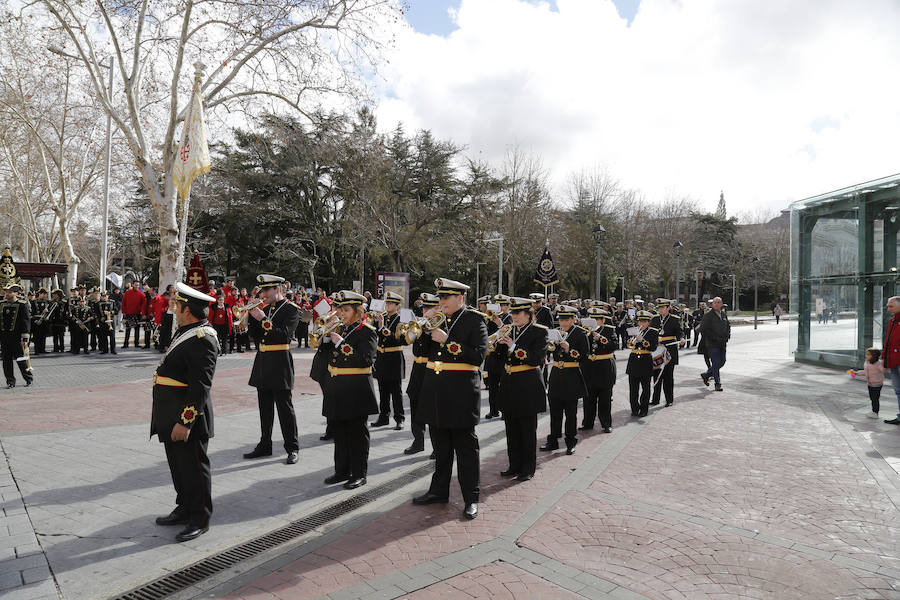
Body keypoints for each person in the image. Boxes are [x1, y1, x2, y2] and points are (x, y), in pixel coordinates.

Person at [412, 278, 487, 520]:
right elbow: (420, 352)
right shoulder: (437, 320)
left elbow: (478, 356)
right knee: (441, 449)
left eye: (446, 298)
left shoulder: (474, 320)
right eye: (440, 297)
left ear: (460, 298)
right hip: (435, 392)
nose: (441, 302)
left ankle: (471, 498)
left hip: (461, 394)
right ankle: (438, 491)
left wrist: (448, 341)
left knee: (466, 450)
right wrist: (424, 329)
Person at [151, 283, 219, 542]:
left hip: (187, 417)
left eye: (177, 305)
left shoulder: (203, 339)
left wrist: (185, 422)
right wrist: (169, 316)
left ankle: (200, 517)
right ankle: (184, 507)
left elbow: (200, 386)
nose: (173, 308)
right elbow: (164, 346)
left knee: (193, 468)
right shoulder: (187, 331)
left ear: (188, 310)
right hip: (170, 412)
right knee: (178, 467)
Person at [320, 291, 378, 489]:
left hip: (356, 389)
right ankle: (341, 470)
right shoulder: (342, 329)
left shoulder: (367, 331)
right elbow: (327, 356)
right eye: (340, 309)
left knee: (356, 433)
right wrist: (326, 338)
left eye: (346, 310)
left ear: (358, 311)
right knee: (340, 431)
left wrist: (340, 343)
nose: (341, 313)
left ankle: (359, 473)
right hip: (338, 388)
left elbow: (366, 359)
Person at [243, 274, 301, 463]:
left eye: (267, 290)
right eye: (262, 290)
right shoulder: (265, 308)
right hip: (263, 362)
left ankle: (292, 448)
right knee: (264, 408)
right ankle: (265, 444)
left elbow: (284, 335)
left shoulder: (291, 310)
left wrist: (263, 318)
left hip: (280, 362)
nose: (263, 294)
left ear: (278, 289)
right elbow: (256, 336)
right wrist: (252, 316)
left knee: (285, 408)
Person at [497, 297, 547, 480]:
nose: (514, 317)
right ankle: (514, 464)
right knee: (511, 428)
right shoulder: (509, 330)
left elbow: (536, 358)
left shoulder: (539, 332)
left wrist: (513, 346)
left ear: (528, 314)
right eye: (513, 313)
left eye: (518, 313)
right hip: (509, 382)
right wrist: (498, 343)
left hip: (527, 383)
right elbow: (500, 357)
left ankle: (528, 468)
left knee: (527, 429)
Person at [541, 305, 587, 455]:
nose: (563, 322)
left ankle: (570, 442)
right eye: (561, 319)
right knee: (555, 412)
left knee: (571, 413)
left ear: (574, 319)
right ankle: (553, 440)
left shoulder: (580, 333)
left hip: (571, 375)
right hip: (556, 374)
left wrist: (570, 350)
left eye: (566, 319)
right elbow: (548, 350)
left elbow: (584, 356)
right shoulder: (556, 332)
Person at [404, 292, 440, 455]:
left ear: (437, 308)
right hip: (418, 368)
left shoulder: (441, 324)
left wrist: (427, 330)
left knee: (433, 407)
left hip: (434, 368)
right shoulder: (420, 324)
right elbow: (406, 341)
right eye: (425, 307)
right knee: (415, 402)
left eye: (430, 308)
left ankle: (436, 445)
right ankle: (418, 440)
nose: (426, 311)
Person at [371, 291, 407, 429]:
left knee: (396, 391)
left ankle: (399, 418)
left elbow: (401, 340)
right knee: (383, 390)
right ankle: (383, 417)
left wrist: (382, 328)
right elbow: (374, 334)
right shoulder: (383, 317)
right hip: (382, 357)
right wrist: (375, 323)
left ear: (397, 306)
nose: (387, 305)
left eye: (391, 303)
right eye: (387, 302)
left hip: (394, 358)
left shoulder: (401, 320)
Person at [581, 306, 617, 433]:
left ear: (602, 320)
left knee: (605, 399)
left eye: (597, 319)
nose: (594, 321)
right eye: (591, 318)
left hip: (604, 367)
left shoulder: (609, 330)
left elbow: (614, 346)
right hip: (589, 367)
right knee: (588, 398)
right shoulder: (585, 331)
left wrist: (601, 339)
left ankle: (606, 423)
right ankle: (587, 422)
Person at [651, 299, 684, 407]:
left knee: (668, 376)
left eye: (662, 307)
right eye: (659, 307)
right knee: (656, 376)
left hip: (669, 351)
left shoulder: (674, 319)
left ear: (668, 308)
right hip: (657, 351)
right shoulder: (655, 319)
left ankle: (669, 399)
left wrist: (682, 339)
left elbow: (680, 332)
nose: (660, 309)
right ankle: (655, 399)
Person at [626, 310, 658, 417]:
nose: (641, 324)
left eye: (644, 321)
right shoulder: (633, 330)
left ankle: (644, 409)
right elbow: (628, 345)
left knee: (645, 388)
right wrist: (631, 339)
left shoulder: (653, 332)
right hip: (634, 360)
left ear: (649, 322)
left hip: (645, 360)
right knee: (633, 388)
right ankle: (634, 408)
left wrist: (642, 340)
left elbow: (653, 347)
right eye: (640, 321)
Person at [1, 284, 33, 388]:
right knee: (6, 361)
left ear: (15, 293)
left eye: (9, 292)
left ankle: (28, 378)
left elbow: (26, 322)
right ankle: (10, 381)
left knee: (21, 359)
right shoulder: (1, 304)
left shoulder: (22, 305)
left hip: (17, 338)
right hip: (5, 337)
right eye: (6, 292)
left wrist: (24, 338)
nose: (7, 294)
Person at [699, 297, 730, 392]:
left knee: (722, 361)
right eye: (715, 302)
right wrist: (713, 338)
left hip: (722, 343)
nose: (716, 304)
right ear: (712, 304)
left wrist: (728, 336)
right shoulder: (708, 315)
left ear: (721, 304)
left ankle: (706, 374)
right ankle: (717, 384)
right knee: (716, 363)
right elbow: (703, 329)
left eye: (718, 302)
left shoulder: (723, 315)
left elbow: (728, 326)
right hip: (712, 343)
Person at [881, 296, 900, 425]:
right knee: (898, 390)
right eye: (888, 306)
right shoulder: (892, 321)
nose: (888, 309)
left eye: (891, 306)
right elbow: (888, 341)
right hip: (894, 361)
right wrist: (884, 358)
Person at [851, 348, 883, 419]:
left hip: (877, 384)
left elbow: (883, 370)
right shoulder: (867, 363)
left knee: (875, 398)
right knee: (872, 398)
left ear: (874, 356)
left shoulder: (878, 363)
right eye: (866, 354)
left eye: (868, 354)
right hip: (870, 383)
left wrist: (885, 364)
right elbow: (865, 372)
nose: (866, 356)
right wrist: (857, 373)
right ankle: (874, 412)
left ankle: (875, 412)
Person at [122, 282, 146, 349]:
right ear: (132, 285)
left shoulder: (141, 294)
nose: (136, 286)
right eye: (135, 285)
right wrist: (124, 312)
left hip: (137, 314)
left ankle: (136, 343)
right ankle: (126, 344)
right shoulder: (127, 293)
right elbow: (123, 302)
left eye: (138, 285)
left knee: (137, 329)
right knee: (128, 329)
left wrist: (142, 312)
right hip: (129, 314)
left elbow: (144, 304)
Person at [97, 290, 118, 355]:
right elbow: (97, 313)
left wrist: (110, 313)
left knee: (112, 336)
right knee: (103, 336)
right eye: (103, 296)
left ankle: (113, 350)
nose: (104, 298)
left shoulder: (112, 302)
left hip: (111, 321)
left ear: (108, 296)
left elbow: (116, 311)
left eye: (105, 296)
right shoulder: (98, 303)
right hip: (103, 322)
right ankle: (105, 349)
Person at [30, 288, 49, 355]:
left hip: (43, 321)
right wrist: (35, 320)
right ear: (40, 294)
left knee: (43, 336)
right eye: (44, 294)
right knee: (36, 336)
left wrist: (47, 312)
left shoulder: (46, 302)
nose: (45, 295)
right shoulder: (33, 302)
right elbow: (31, 313)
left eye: (45, 294)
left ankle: (42, 349)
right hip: (36, 321)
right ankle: (37, 350)